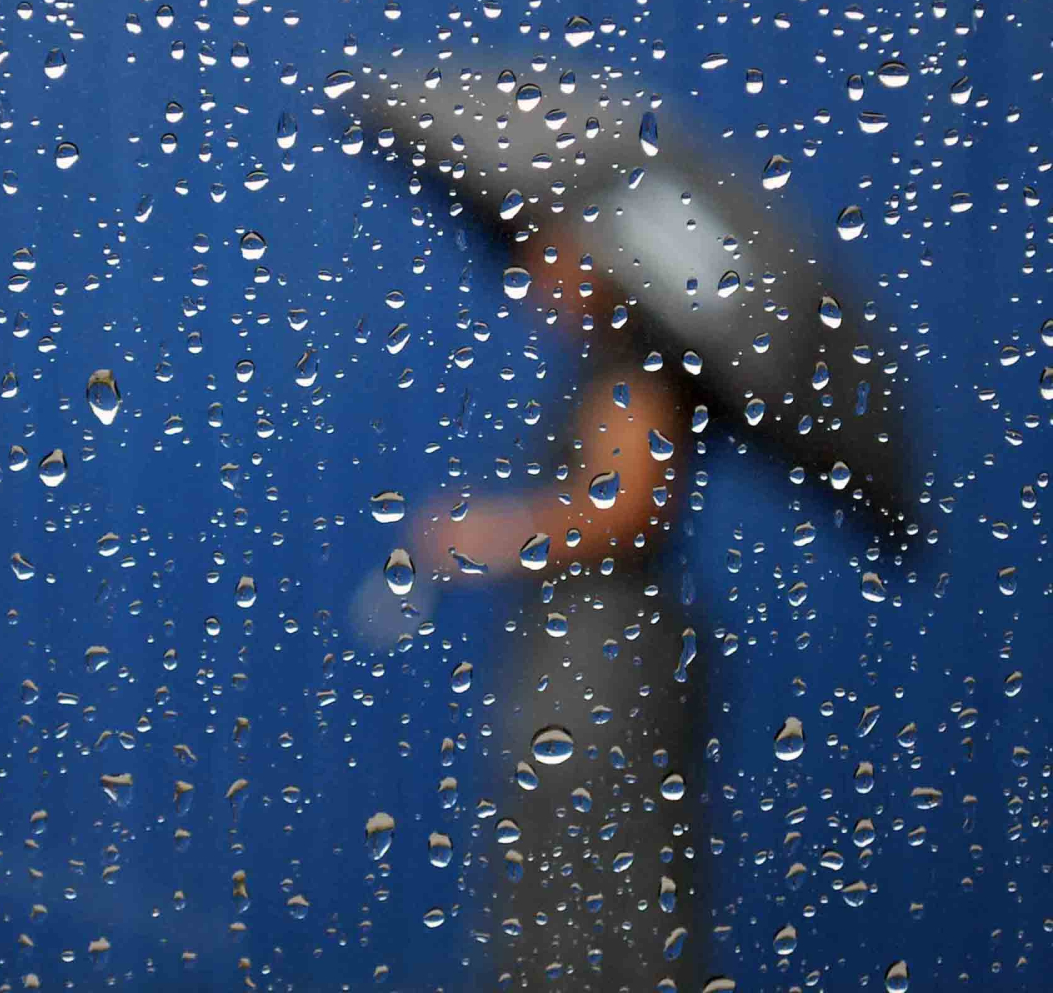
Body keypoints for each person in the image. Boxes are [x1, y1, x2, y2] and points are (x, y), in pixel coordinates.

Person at [341, 60, 919, 990]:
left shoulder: (639, 372)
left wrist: (487, 534)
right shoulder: (614, 364)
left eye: (552, 252)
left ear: (609, 258)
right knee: (558, 874)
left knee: (596, 888)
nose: (534, 275)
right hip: (583, 651)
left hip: (607, 658)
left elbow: (627, 508)